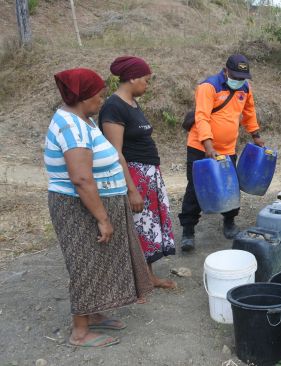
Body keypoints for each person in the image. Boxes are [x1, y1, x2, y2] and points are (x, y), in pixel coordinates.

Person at [45, 68, 153, 348]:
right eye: (99, 95)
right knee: (86, 262)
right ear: (83, 96)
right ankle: (80, 332)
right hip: (79, 208)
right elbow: (81, 178)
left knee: (99, 261)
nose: (102, 101)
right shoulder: (72, 127)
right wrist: (103, 218)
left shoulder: (83, 119)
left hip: (97, 202)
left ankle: (92, 315)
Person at [99, 56, 176, 289]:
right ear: (131, 78)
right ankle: (138, 280)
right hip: (134, 177)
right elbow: (116, 153)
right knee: (138, 226)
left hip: (148, 174)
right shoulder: (114, 106)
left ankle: (148, 276)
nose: (147, 84)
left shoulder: (131, 102)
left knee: (147, 226)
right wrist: (132, 190)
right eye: (145, 79)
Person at [179, 54, 265, 250]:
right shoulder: (208, 87)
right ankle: (188, 230)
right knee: (195, 187)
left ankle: (229, 221)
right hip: (200, 148)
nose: (238, 80)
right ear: (225, 71)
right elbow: (201, 117)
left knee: (230, 185)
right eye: (235, 76)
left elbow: (249, 114)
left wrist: (256, 135)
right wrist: (208, 146)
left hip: (228, 149)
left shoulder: (245, 88)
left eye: (242, 77)